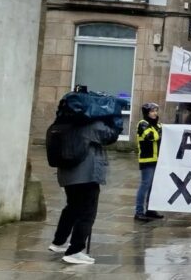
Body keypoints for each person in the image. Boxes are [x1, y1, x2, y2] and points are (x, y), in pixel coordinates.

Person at [49, 117, 121, 265]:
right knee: (87, 212)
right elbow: (110, 135)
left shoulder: (63, 122)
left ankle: (58, 242)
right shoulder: (92, 124)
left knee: (72, 208)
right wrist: (115, 121)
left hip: (67, 175)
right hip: (86, 176)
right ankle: (74, 251)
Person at [134, 103, 163, 222]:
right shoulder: (143, 124)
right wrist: (160, 131)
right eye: (152, 111)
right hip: (147, 160)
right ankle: (139, 212)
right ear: (147, 113)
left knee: (153, 187)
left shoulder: (157, 125)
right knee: (145, 185)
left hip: (157, 160)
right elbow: (152, 136)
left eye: (156, 111)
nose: (155, 113)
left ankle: (150, 210)